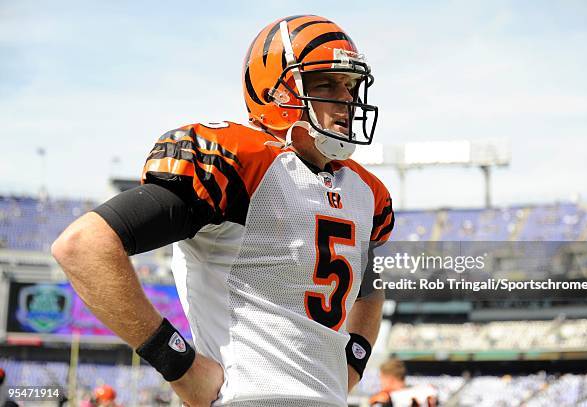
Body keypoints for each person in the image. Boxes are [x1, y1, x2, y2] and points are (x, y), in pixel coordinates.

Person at [52, 14, 394, 407]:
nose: (347, 100)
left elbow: (369, 288)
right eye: (326, 84)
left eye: (350, 87)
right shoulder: (240, 163)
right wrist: (177, 361)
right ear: (278, 92)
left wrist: (353, 361)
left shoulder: (366, 191)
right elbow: (83, 246)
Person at [369, 359, 437, 407]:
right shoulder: (426, 391)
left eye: (381, 378)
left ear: (390, 380)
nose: (380, 382)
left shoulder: (384, 398)